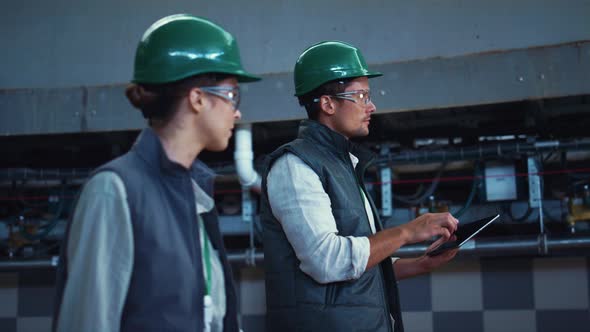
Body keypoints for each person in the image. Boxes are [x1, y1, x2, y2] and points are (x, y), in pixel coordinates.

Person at [52, 14, 260, 332]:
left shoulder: (195, 193)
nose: (238, 110)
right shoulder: (114, 190)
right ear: (197, 98)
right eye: (232, 95)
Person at [260, 41, 459, 332]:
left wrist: (421, 264)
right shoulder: (295, 166)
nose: (372, 106)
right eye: (361, 95)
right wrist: (406, 232)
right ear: (328, 104)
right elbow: (328, 261)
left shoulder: (344, 163)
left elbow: (360, 265)